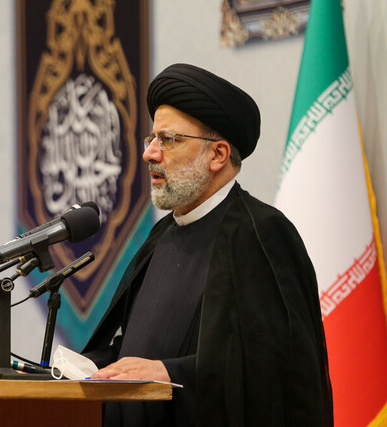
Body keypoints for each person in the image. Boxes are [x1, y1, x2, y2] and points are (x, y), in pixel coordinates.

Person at [82, 63, 333, 426]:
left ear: (217, 155)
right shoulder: (161, 236)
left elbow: (278, 373)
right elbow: (139, 350)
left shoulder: (261, 234)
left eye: (168, 140)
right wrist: (82, 368)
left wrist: (170, 373)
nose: (150, 153)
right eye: (151, 139)